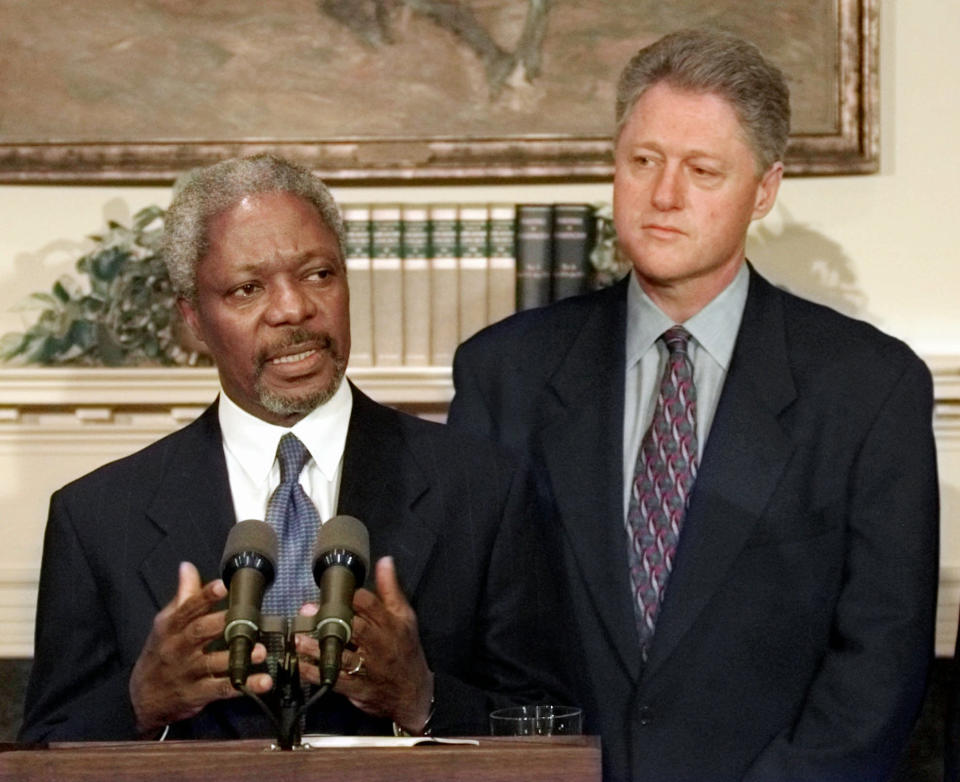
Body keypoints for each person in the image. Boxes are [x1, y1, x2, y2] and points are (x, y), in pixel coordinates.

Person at [447, 28, 939, 782]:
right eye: (643, 162)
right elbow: (475, 645)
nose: (664, 196)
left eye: (703, 170)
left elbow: (879, 662)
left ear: (764, 189)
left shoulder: (869, 389)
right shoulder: (503, 374)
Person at [20, 154, 569, 742]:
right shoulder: (98, 516)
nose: (293, 309)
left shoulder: (484, 488)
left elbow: (551, 730)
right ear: (193, 320)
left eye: (317, 274)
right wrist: (141, 702)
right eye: (248, 288)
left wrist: (423, 697)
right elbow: (43, 748)